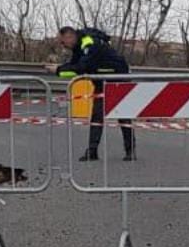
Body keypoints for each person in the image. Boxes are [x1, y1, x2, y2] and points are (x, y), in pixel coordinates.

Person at [50, 26, 135, 161]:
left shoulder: (88, 43)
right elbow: (75, 65)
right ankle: (92, 151)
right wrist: (59, 69)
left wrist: (58, 70)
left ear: (69, 36)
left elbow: (81, 68)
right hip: (101, 81)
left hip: (117, 79)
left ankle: (130, 151)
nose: (63, 46)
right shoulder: (79, 46)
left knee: (122, 116)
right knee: (96, 116)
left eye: (62, 42)